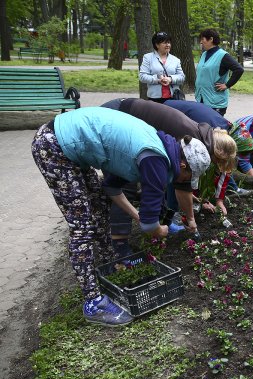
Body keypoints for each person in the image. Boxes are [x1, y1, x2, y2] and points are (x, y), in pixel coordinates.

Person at [30, 107, 210, 327]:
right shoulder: (156, 160)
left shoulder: (157, 147)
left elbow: (111, 188)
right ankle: (93, 302)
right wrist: (159, 230)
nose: (185, 181)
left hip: (67, 143)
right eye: (189, 176)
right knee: (82, 226)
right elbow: (150, 226)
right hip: (54, 145)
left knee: (99, 207)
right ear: (183, 165)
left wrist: (139, 217)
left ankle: (110, 267)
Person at [100, 98, 237, 244]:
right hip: (116, 117)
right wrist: (191, 220)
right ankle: (120, 246)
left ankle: (159, 223)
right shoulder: (193, 143)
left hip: (127, 120)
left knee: (157, 178)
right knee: (126, 184)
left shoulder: (203, 136)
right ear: (217, 153)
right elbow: (182, 186)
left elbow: (174, 179)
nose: (214, 164)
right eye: (217, 162)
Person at [196, 28, 245, 116]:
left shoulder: (223, 55)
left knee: (215, 128)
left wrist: (227, 85)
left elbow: (239, 69)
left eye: (202, 39)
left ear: (211, 39)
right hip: (201, 98)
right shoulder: (204, 54)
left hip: (215, 102)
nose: (201, 42)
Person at [139, 32, 184, 103]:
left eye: (169, 43)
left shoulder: (176, 60)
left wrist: (170, 79)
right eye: (164, 43)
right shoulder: (148, 58)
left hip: (173, 98)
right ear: (157, 45)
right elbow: (142, 76)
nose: (168, 45)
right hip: (155, 98)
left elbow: (182, 77)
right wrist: (158, 80)